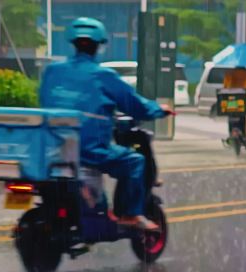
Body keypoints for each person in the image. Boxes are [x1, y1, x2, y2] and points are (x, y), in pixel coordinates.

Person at [39, 17, 172, 231]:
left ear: (72, 42)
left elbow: (44, 100)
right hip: (89, 149)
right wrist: (159, 109)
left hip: (54, 148)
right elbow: (134, 104)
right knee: (135, 162)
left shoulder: (53, 71)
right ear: (99, 45)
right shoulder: (103, 75)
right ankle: (130, 214)